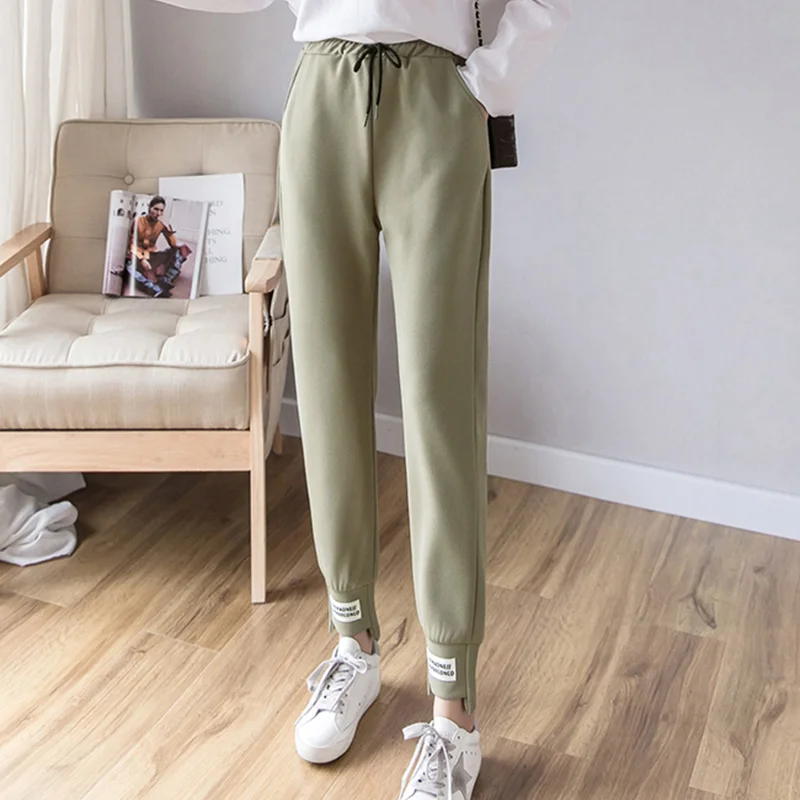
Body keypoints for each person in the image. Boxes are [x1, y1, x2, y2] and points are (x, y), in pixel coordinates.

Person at [154, 2, 571, 797]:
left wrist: (489, 85)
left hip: (437, 94)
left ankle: (453, 711)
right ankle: (353, 644)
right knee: (325, 382)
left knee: (442, 399)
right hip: (320, 88)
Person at [127, 195, 186, 296]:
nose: (158, 213)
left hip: (152, 255)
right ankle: (153, 287)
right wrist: (142, 259)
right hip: (137, 254)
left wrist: (168, 228)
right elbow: (132, 243)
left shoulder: (161, 224)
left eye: (161, 211)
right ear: (149, 208)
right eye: (155, 209)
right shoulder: (138, 221)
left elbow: (173, 244)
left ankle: (166, 279)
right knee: (128, 268)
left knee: (180, 249)